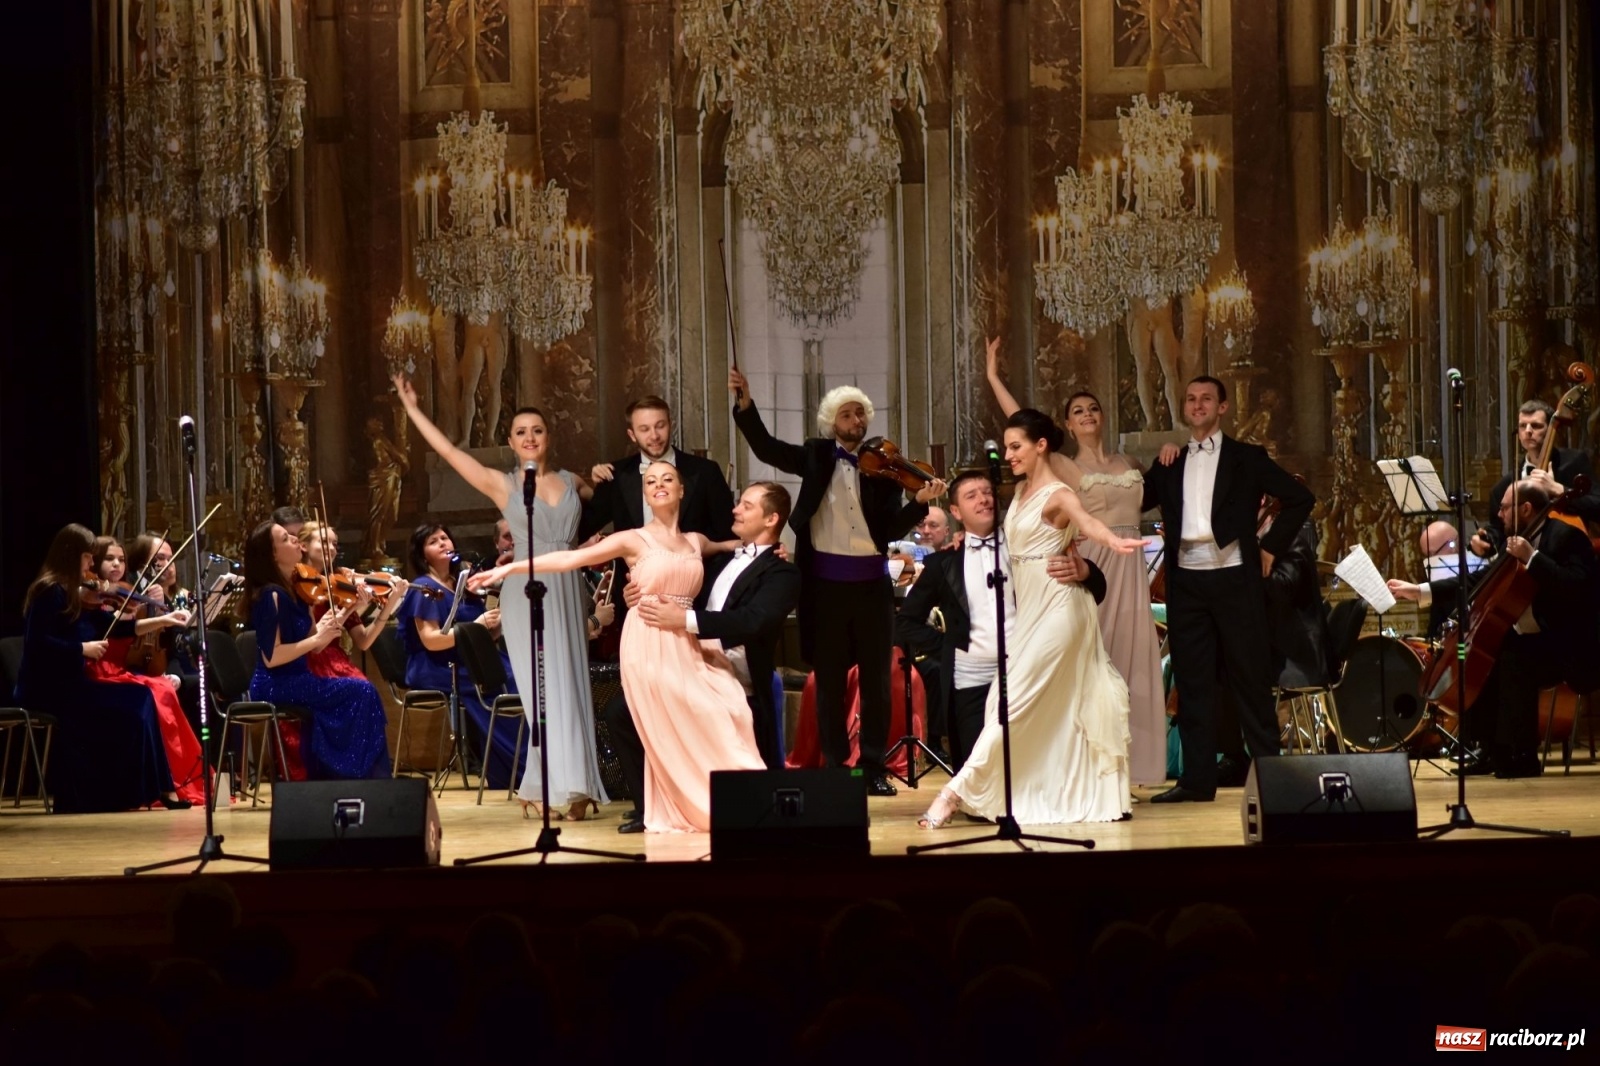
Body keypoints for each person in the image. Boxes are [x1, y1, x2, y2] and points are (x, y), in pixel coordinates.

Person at [471, 461, 763, 832]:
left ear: (681, 489)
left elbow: (739, 547)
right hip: (647, 642)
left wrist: (773, 551)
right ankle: (687, 802)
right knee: (691, 709)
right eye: (651, 481)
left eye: (667, 479)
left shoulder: (696, 541)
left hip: (685, 643)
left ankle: (732, 800)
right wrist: (508, 569)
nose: (658, 485)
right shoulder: (632, 539)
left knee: (725, 707)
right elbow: (571, 558)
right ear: (644, 493)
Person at [393, 372, 607, 821]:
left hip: (567, 586)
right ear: (511, 442)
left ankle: (577, 782)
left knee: (572, 681)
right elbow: (450, 453)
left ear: (549, 436)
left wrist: (610, 480)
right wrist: (413, 410)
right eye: (521, 432)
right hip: (524, 593)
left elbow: (616, 509)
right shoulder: (503, 483)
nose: (530, 438)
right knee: (542, 689)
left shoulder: (573, 482)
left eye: (538, 430)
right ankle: (553, 784)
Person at [917, 410, 1145, 828]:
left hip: (1062, 610)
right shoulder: (1019, 491)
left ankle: (951, 793)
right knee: (1007, 703)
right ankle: (1057, 789)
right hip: (1031, 616)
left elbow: (1087, 521)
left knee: (1014, 702)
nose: (1008, 454)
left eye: (1016, 446)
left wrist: (1112, 539)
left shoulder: (1058, 493)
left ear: (1041, 446)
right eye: (1006, 447)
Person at [729, 367, 945, 797]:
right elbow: (767, 448)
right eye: (847, 415)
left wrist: (919, 503)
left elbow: (886, 530)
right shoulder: (814, 454)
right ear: (832, 422)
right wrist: (746, 406)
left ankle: (871, 768)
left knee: (877, 683)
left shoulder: (882, 473)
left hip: (870, 586)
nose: (856, 422)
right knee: (827, 680)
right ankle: (832, 767)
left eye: (861, 415)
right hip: (824, 587)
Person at [985, 337, 1167, 786]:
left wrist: (1170, 455)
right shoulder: (1065, 466)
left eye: (1093, 409)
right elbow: (1021, 425)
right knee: (1092, 662)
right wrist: (993, 376)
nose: (1088, 415)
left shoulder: (1127, 460)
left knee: (1134, 663)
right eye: (1078, 411)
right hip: (1094, 565)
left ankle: (1136, 767)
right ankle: (1089, 766)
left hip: (1131, 567)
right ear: (1066, 423)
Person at [1142, 376, 1314, 803]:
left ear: (1222, 408)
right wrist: (1154, 461)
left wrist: (1269, 548)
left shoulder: (1246, 457)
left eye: (1206, 399)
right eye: (1191, 399)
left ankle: (1273, 779)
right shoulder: (1172, 461)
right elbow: (1132, 499)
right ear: (1184, 409)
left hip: (1235, 580)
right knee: (1194, 683)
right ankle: (1197, 781)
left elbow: (1299, 498)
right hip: (1186, 584)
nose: (1197, 405)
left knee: (1250, 681)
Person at [601, 481, 803, 833]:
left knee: (694, 710)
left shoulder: (783, 572)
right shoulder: (722, 558)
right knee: (621, 712)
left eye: (746, 505)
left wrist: (686, 621)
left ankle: (708, 803)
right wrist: (637, 593)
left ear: (771, 519)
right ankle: (652, 806)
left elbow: (753, 621)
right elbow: (678, 585)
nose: (735, 509)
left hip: (733, 671)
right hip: (689, 660)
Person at [897, 469, 1109, 773]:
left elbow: (1096, 591)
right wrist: (950, 648)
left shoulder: (1025, 546)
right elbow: (906, 622)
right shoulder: (942, 563)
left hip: (1025, 668)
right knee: (976, 769)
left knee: (1031, 764)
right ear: (955, 511)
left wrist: (1085, 571)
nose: (983, 499)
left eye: (987, 492)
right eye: (972, 496)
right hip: (970, 675)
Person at [1387, 480, 1600, 777]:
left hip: (1566, 644)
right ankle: (1490, 749)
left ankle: (1522, 755)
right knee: (1477, 657)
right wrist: (1420, 590)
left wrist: (1533, 559)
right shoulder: (1515, 541)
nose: (1499, 515)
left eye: (1504, 508)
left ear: (1525, 509)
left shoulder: (1567, 538)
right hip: (1529, 641)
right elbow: (1479, 580)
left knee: (1514, 658)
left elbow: (1579, 589)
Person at [14, 523, 192, 812]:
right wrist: (80, 649)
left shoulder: (76, 592)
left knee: (143, 698)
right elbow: (37, 645)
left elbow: (114, 628)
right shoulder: (49, 591)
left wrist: (165, 619)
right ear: (72, 555)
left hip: (71, 684)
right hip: (47, 688)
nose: (90, 566)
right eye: (87, 558)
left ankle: (159, 789)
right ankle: (116, 794)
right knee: (133, 704)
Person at [242, 521, 391, 780]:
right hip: (275, 683)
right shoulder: (271, 596)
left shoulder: (301, 590)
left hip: (300, 676)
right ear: (273, 554)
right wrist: (316, 639)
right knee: (361, 691)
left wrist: (346, 610)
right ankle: (352, 774)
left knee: (363, 691)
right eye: (286, 539)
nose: (295, 540)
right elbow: (272, 657)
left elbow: (318, 642)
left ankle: (355, 774)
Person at [393, 523, 523, 791]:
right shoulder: (423, 587)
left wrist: (498, 620)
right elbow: (431, 640)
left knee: (520, 674)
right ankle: (518, 766)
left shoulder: (462, 582)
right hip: (436, 665)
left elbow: (486, 635)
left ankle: (516, 766)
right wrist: (477, 625)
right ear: (422, 553)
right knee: (502, 682)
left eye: (445, 538)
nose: (442, 543)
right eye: (433, 541)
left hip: (469, 659)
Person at [88, 537, 209, 806]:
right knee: (158, 690)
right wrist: (142, 613)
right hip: (98, 670)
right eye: (110, 559)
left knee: (163, 688)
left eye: (121, 559)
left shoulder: (126, 593)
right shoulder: (92, 597)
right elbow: (113, 629)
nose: (117, 564)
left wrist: (156, 611)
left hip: (118, 670)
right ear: (94, 562)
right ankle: (164, 782)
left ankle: (179, 777)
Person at [1470, 399, 1600, 557]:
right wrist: (1486, 541)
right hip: (1520, 568)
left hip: (1567, 561)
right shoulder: (1504, 486)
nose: (1528, 431)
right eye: (1522, 426)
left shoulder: (1573, 463)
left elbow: (1597, 504)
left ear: (1551, 429)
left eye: (1536, 426)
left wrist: (1559, 490)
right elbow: (1499, 530)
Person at [297, 519, 410, 680]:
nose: (331, 548)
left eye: (334, 544)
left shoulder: (339, 584)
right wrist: (350, 607)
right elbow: (314, 644)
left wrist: (390, 601)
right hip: (306, 658)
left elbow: (364, 641)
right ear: (303, 546)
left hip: (335, 659)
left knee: (366, 687)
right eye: (323, 542)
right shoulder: (297, 585)